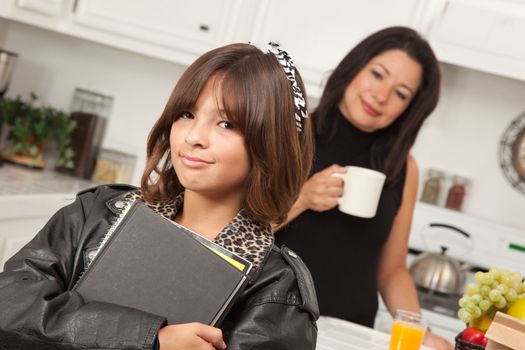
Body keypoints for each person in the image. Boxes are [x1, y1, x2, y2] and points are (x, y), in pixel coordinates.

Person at [0, 43, 318, 350]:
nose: (193, 137)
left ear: (270, 145)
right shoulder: (97, 212)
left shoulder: (276, 287)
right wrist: (150, 338)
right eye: (186, 114)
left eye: (226, 123)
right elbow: (9, 307)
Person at [274, 27, 453, 350]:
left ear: (409, 110)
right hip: (271, 324)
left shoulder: (403, 168)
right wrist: (302, 199)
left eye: (400, 93)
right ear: (354, 67)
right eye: (377, 74)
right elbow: (234, 232)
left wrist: (419, 331)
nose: (381, 96)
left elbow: (392, 270)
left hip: (350, 337)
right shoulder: (288, 133)